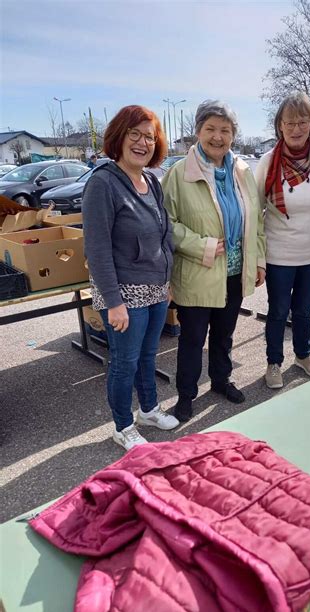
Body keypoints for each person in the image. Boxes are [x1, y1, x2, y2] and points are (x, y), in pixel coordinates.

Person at [161, 100, 266, 423]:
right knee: (192, 339)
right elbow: (166, 223)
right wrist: (200, 245)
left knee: (224, 334)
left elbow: (257, 220)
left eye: (225, 130)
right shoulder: (179, 174)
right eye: (211, 129)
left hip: (235, 271)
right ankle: (186, 396)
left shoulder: (242, 171)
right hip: (197, 271)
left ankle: (221, 381)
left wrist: (258, 260)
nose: (218, 137)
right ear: (197, 132)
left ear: (234, 135)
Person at [82, 105, 179, 450]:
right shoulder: (103, 183)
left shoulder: (151, 181)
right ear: (119, 138)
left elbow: (163, 232)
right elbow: (97, 249)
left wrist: (166, 282)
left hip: (154, 289)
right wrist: (113, 302)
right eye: (134, 134)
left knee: (148, 356)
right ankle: (122, 425)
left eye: (149, 137)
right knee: (125, 362)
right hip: (124, 294)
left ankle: (149, 410)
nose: (142, 143)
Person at [255, 92, 310, 389]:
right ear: (280, 126)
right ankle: (273, 362)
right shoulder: (267, 162)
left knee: (303, 309)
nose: (296, 128)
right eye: (289, 123)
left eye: (302, 122)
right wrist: (258, 258)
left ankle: (303, 355)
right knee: (278, 311)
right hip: (279, 255)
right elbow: (256, 212)